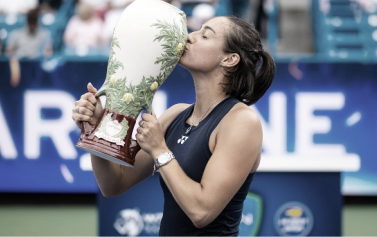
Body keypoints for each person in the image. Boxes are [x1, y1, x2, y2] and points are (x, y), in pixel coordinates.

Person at [72, 16, 275, 235]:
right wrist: (97, 127)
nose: (189, 37)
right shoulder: (175, 114)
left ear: (229, 59)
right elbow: (113, 184)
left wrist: (160, 149)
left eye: (205, 35)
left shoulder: (242, 121)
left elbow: (201, 212)